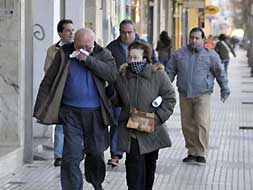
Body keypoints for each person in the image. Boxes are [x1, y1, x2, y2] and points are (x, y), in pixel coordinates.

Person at [33, 28, 118, 190]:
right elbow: (48, 80)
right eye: (80, 47)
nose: (84, 50)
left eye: (88, 47)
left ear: (94, 43)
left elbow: (112, 75)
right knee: (70, 157)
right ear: (74, 43)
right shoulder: (64, 54)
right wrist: (40, 108)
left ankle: (96, 182)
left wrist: (87, 60)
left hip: (96, 114)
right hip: (71, 113)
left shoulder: (103, 54)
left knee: (95, 153)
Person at [111, 40, 176, 190]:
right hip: (131, 129)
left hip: (152, 130)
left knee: (149, 170)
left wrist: (157, 118)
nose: (132, 61)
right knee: (134, 174)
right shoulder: (123, 76)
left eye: (136, 58)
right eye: (130, 57)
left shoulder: (157, 74)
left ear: (145, 59)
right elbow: (118, 101)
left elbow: (170, 99)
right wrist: (111, 94)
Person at [166, 27, 230, 165]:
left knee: (202, 123)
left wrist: (225, 89)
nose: (194, 41)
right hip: (184, 95)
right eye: (191, 38)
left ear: (202, 39)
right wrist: (163, 88)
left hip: (203, 95)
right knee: (187, 125)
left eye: (197, 38)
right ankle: (192, 151)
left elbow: (220, 73)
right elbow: (170, 71)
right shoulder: (179, 54)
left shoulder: (210, 55)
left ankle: (201, 152)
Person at [106, 19, 158, 167]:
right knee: (117, 122)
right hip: (119, 92)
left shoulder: (144, 46)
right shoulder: (112, 48)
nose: (126, 35)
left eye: (129, 32)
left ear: (134, 31)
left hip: (141, 91)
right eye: (123, 32)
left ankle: (141, 151)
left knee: (140, 121)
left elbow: (154, 66)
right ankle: (115, 154)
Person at [44, 19, 74, 167]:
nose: (71, 33)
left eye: (72, 30)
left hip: (74, 91)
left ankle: (74, 152)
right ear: (60, 33)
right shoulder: (52, 50)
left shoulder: (78, 48)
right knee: (60, 124)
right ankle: (59, 155)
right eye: (68, 30)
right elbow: (48, 71)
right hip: (59, 92)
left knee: (75, 124)